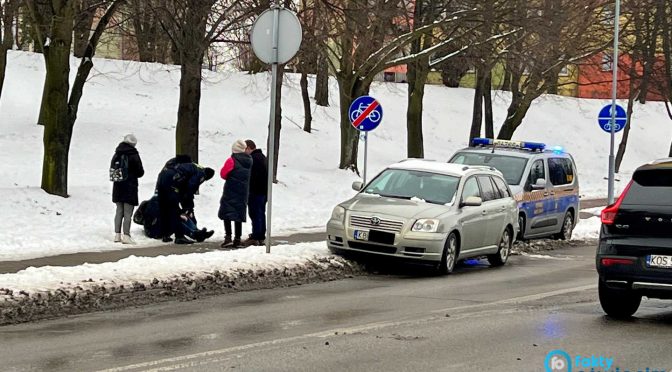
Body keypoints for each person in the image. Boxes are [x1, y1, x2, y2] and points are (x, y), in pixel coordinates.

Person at [156, 155, 215, 244]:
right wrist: (188, 207)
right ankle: (181, 236)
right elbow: (190, 188)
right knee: (175, 211)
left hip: (162, 181)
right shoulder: (201, 172)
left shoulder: (182, 166)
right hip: (173, 183)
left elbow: (185, 188)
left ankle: (166, 235)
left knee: (165, 209)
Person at [218, 139, 253, 248]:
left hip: (231, 190)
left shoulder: (231, 160)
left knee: (227, 212)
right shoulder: (249, 160)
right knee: (238, 214)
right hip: (243, 191)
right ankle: (237, 239)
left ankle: (228, 237)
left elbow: (223, 174)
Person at [111, 134, 144, 244]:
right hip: (130, 186)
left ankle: (117, 235)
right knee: (128, 213)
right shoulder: (133, 154)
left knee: (119, 211)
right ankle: (126, 235)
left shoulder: (117, 153)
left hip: (118, 186)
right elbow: (140, 172)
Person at [242, 140, 268, 247]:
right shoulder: (262, 158)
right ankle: (260, 235)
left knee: (255, 213)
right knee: (261, 213)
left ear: (248, 148)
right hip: (263, 191)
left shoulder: (253, 159)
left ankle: (256, 236)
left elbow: (252, 176)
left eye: (244, 149)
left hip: (255, 191)